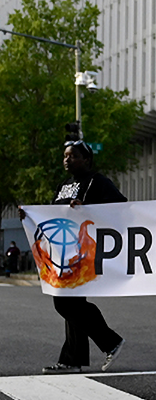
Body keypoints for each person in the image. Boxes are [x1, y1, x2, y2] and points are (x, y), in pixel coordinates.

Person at [21, 141, 126, 373]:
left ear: (87, 159)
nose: (67, 160)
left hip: (84, 251)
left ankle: (110, 341)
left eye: (73, 156)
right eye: (65, 156)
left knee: (65, 302)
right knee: (72, 303)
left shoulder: (97, 181)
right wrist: (29, 215)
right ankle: (72, 360)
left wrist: (87, 208)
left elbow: (120, 206)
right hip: (63, 253)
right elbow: (52, 214)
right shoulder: (64, 185)